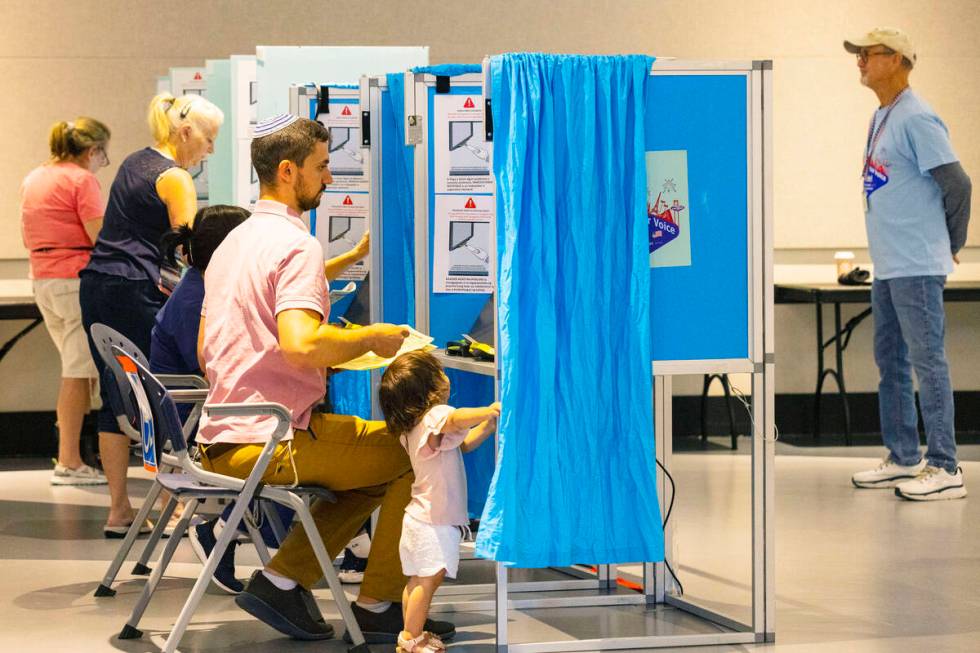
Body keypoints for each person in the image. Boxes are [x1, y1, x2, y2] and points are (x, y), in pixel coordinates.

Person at [195, 114, 455, 643]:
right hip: (272, 439)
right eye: (323, 166)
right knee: (416, 451)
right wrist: (371, 338)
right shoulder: (297, 246)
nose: (331, 178)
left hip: (221, 435)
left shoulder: (233, 242)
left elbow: (209, 349)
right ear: (289, 171)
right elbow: (301, 344)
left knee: (370, 470)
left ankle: (281, 581)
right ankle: (380, 605)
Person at [152, 204, 372, 593]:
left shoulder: (201, 287)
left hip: (202, 420)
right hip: (200, 428)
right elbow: (213, 365)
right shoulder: (197, 301)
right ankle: (233, 530)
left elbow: (304, 282)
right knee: (320, 434)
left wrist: (353, 257)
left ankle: (243, 530)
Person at [79, 92, 224, 537]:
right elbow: (191, 247)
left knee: (116, 390)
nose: (211, 149)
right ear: (185, 132)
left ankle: (119, 510)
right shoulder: (175, 177)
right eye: (209, 138)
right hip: (136, 287)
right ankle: (172, 505)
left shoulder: (133, 161)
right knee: (158, 390)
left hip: (98, 284)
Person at [844, 28, 972, 500]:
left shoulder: (917, 117)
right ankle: (903, 457)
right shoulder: (883, 116)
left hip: (917, 263)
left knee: (927, 361)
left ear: (896, 59)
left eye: (867, 55)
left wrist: (951, 241)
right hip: (891, 263)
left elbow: (958, 185)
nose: (858, 62)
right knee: (891, 361)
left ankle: (945, 467)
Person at [378, 351, 499, 653]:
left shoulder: (416, 429)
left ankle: (411, 632)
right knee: (428, 583)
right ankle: (411, 639)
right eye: (439, 372)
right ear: (430, 388)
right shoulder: (434, 416)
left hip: (420, 518)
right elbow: (455, 418)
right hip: (434, 521)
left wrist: (489, 425)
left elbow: (465, 443)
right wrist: (487, 410)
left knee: (416, 582)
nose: (446, 376)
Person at [20, 117, 111, 485]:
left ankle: (71, 455)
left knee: (76, 369)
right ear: (92, 150)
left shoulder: (35, 177)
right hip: (74, 279)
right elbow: (98, 235)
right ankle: (70, 460)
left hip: (43, 279)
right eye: (102, 153)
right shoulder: (81, 179)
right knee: (77, 374)